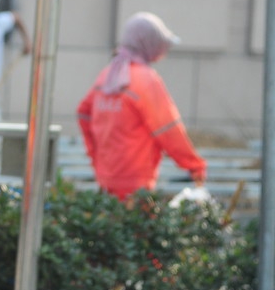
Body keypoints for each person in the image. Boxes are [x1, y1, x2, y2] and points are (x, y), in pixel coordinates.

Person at [77, 12, 206, 200]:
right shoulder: (146, 80)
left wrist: (96, 157)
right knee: (137, 227)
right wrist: (194, 165)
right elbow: (168, 129)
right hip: (136, 182)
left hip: (106, 178)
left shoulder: (107, 75)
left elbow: (83, 113)